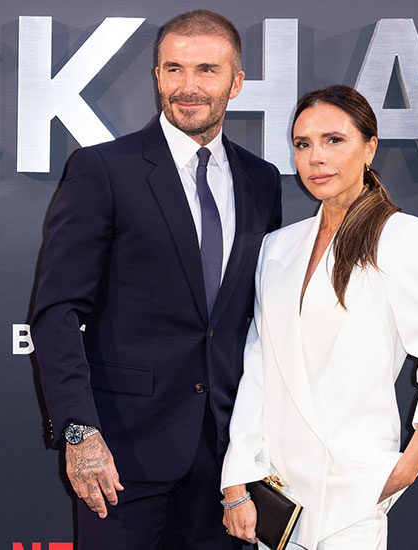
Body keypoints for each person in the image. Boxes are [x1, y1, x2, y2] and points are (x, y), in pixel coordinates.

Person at [30, 10, 281, 550]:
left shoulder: (262, 180)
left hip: (227, 458)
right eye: (174, 69)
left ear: (236, 82)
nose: (188, 87)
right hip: (122, 453)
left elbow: (256, 317)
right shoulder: (103, 169)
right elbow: (56, 311)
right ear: (158, 76)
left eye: (207, 71)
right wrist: (79, 430)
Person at [220, 85, 418, 550]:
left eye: (334, 140)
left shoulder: (404, 238)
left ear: (370, 145)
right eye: (303, 144)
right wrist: (237, 480)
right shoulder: (278, 247)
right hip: (277, 499)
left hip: (351, 496)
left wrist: (402, 470)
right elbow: (258, 369)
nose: (316, 157)